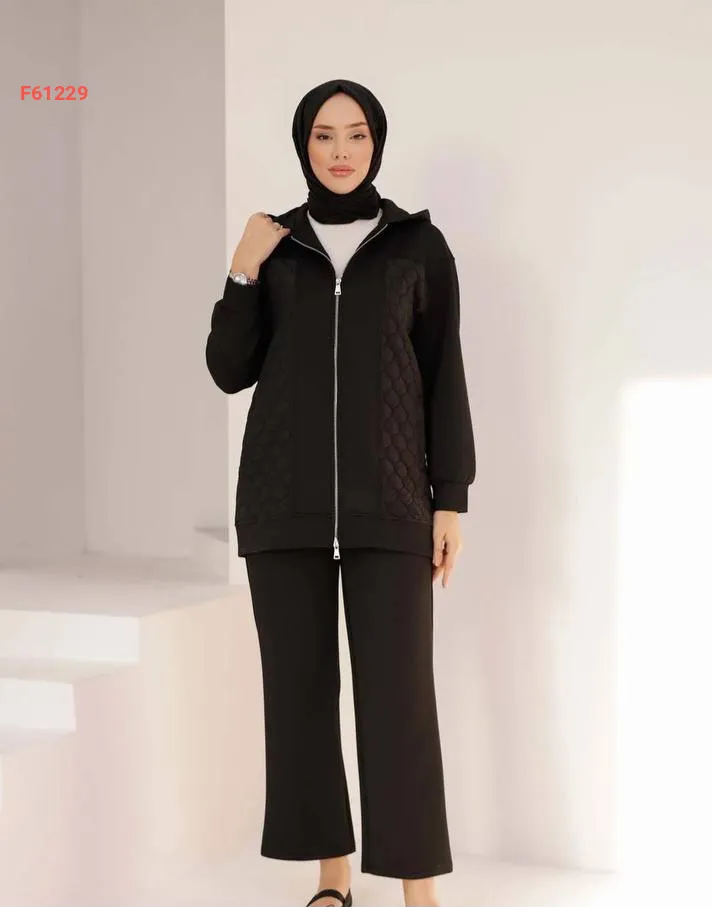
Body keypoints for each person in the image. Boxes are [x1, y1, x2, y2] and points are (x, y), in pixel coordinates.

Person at [205, 78, 476, 907]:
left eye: (356, 134)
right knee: (300, 699)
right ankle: (332, 879)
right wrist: (242, 270)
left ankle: (419, 890)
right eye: (324, 135)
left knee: (400, 701)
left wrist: (450, 496)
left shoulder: (417, 247)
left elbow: (443, 373)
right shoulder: (277, 245)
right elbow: (228, 370)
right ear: (303, 145)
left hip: (392, 505)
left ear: (377, 143)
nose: (341, 150)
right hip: (281, 508)